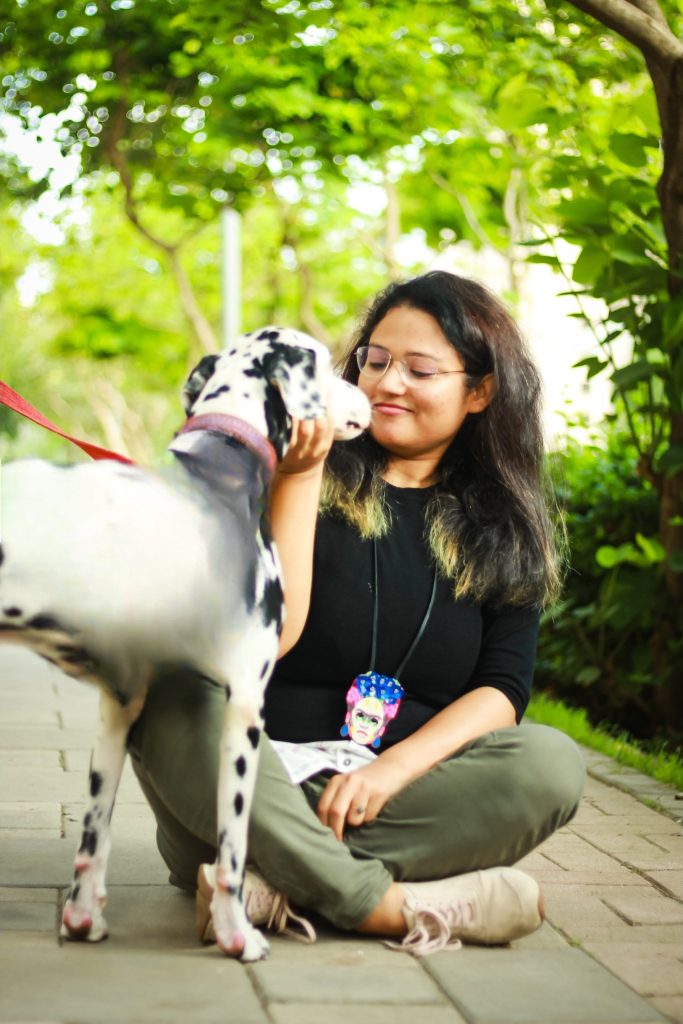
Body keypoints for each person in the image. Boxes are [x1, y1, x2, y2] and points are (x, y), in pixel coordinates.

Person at [128, 270, 586, 955]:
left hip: (391, 797)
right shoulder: (281, 465)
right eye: (375, 361)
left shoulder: (506, 531)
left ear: (480, 391)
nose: (387, 383)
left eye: (419, 369)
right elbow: (268, 638)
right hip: (247, 783)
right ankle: (378, 906)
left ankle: (273, 884)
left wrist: (386, 771)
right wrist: (298, 479)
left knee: (549, 763)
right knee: (161, 685)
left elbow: (501, 691)